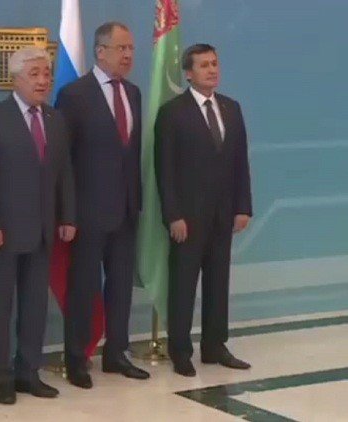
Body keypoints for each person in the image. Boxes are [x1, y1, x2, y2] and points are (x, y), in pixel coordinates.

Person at [0, 46, 76, 405]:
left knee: (35, 307)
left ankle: (28, 373)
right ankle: (1, 376)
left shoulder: (55, 119)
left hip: (43, 231)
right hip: (2, 233)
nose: (43, 81)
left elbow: (64, 174)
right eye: (34, 74)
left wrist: (68, 216)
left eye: (46, 73)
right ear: (14, 78)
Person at [56, 21, 149, 389]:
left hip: (125, 210)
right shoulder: (74, 95)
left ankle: (116, 353)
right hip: (87, 212)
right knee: (83, 287)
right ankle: (77, 358)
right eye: (121, 48)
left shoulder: (134, 93)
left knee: (121, 286)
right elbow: (63, 160)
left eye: (131, 48)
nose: (128, 55)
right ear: (100, 51)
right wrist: (68, 212)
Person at [155, 43, 253, 377]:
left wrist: (243, 206)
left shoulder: (231, 108)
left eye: (214, 64)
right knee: (183, 285)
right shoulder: (173, 113)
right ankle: (180, 350)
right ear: (188, 73)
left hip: (223, 215)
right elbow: (164, 170)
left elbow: (240, 162)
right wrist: (173, 215)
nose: (212, 70)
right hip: (187, 218)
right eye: (204, 65)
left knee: (218, 282)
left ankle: (214, 346)